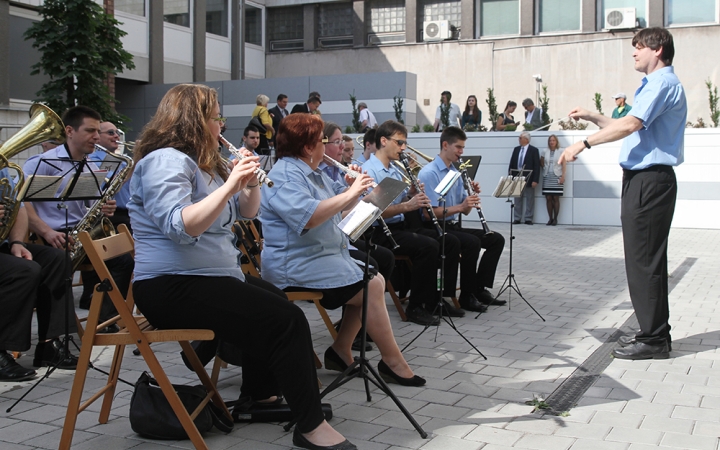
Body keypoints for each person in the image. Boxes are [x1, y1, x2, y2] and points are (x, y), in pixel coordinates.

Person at [127, 84, 356, 450]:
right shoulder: (164, 161)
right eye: (215, 116)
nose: (221, 123)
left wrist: (248, 185)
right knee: (287, 320)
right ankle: (311, 427)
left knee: (275, 301)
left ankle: (260, 396)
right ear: (193, 120)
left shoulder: (203, 164)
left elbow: (247, 213)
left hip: (208, 277)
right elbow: (183, 226)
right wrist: (231, 182)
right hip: (171, 285)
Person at [260, 113, 425, 388]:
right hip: (296, 264)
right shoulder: (286, 175)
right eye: (322, 141)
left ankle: (342, 350)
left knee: (374, 280)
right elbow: (310, 217)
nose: (327, 148)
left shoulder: (312, 172)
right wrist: (351, 193)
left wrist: (358, 192)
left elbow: (341, 211)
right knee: (372, 284)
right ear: (307, 147)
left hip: (320, 256)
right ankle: (390, 360)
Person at [559, 27, 686, 360]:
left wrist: (582, 144)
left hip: (649, 181)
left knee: (644, 262)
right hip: (645, 181)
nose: (634, 52)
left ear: (658, 50)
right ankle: (655, 333)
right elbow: (627, 126)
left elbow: (630, 125)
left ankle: (654, 338)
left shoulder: (661, 83)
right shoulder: (655, 85)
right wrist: (592, 117)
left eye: (639, 46)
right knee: (644, 260)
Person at [23, 106, 134, 327]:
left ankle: (103, 321)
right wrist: (46, 231)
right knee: (58, 270)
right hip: (49, 235)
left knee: (123, 261)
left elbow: (91, 207)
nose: (95, 137)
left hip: (79, 233)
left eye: (97, 131)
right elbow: (24, 205)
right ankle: (60, 331)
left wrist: (105, 208)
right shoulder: (42, 163)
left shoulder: (91, 165)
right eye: (90, 130)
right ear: (70, 131)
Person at [363, 120, 466, 323]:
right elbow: (372, 212)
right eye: (399, 143)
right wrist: (408, 206)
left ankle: (436, 299)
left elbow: (392, 202)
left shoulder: (393, 169)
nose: (403, 148)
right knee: (427, 246)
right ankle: (417, 306)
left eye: (404, 143)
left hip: (397, 227)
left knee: (447, 240)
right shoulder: (370, 171)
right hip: (378, 233)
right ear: (383, 141)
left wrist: (408, 194)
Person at [417, 127, 507, 310]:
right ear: (445, 145)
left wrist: (469, 200)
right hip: (435, 227)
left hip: (452, 226)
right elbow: (428, 213)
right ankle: (462, 296)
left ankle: (478, 289)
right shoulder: (429, 173)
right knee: (471, 242)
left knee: (496, 239)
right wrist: (461, 206)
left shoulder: (456, 173)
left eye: (463, 148)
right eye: (458, 147)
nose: (461, 152)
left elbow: (463, 212)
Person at [0, 176, 75, 379]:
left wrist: (17, 242)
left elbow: (19, 208)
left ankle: (49, 346)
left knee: (57, 258)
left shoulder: (3, 170)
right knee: (24, 271)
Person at [508, 131, 541, 225]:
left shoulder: (533, 150)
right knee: (517, 198)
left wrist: (535, 180)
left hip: (529, 177)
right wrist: (510, 176)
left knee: (530, 198)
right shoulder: (516, 149)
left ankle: (528, 218)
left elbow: (536, 166)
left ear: (526, 139)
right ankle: (517, 218)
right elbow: (512, 163)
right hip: (517, 176)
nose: (518, 139)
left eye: (520, 138)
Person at [540, 135, 566, 226]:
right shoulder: (544, 151)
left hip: (557, 176)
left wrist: (563, 176)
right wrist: (545, 168)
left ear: (556, 141)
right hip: (547, 176)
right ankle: (550, 218)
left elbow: (564, 164)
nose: (552, 142)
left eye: (553, 140)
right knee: (548, 198)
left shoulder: (561, 151)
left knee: (556, 197)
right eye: (550, 140)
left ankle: (555, 219)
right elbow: (542, 162)